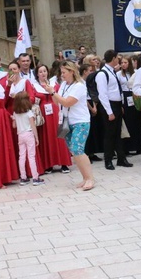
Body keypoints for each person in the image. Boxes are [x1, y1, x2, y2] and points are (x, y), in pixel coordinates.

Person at [42, 62, 95, 191]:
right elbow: (56, 102)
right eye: (61, 72)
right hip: (67, 121)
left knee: (78, 148)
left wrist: (53, 92)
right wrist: (52, 93)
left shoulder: (79, 85)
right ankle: (84, 177)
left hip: (80, 121)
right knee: (73, 150)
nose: (62, 75)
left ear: (72, 72)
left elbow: (67, 102)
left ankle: (90, 178)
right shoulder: (64, 85)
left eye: (64, 72)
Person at [32, 64, 71, 174]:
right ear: (37, 74)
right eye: (40, 71)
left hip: (55, 111)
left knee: (60, 135)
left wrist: (51, 90)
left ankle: (64, 163)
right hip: (43, 113)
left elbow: (59, 98)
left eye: (45, 71)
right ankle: (48, 164)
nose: (43, 73)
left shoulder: (55, 83)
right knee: (46, 137)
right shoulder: (34, 85)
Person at [96, 50, 129, 170]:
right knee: (109, 134)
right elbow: (103, 94)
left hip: (117, 104)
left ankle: (121, 158)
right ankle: (108, 160)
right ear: (114, 58)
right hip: (109, 106)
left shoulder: (112, 72)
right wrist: (109, 112)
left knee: (118, 133)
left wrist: (120, 105)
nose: (118, 60)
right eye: (117, 58)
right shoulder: (102, 74)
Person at [12, 91, 44, 186]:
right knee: (31, 156)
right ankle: (35, 177)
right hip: (29, 134)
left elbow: (14, 126)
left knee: (21, 156)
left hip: (20, 135)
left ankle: (23, 177)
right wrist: (36, 137)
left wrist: (13, 119)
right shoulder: (29, 113)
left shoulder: (15, 113)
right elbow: (33, 126)